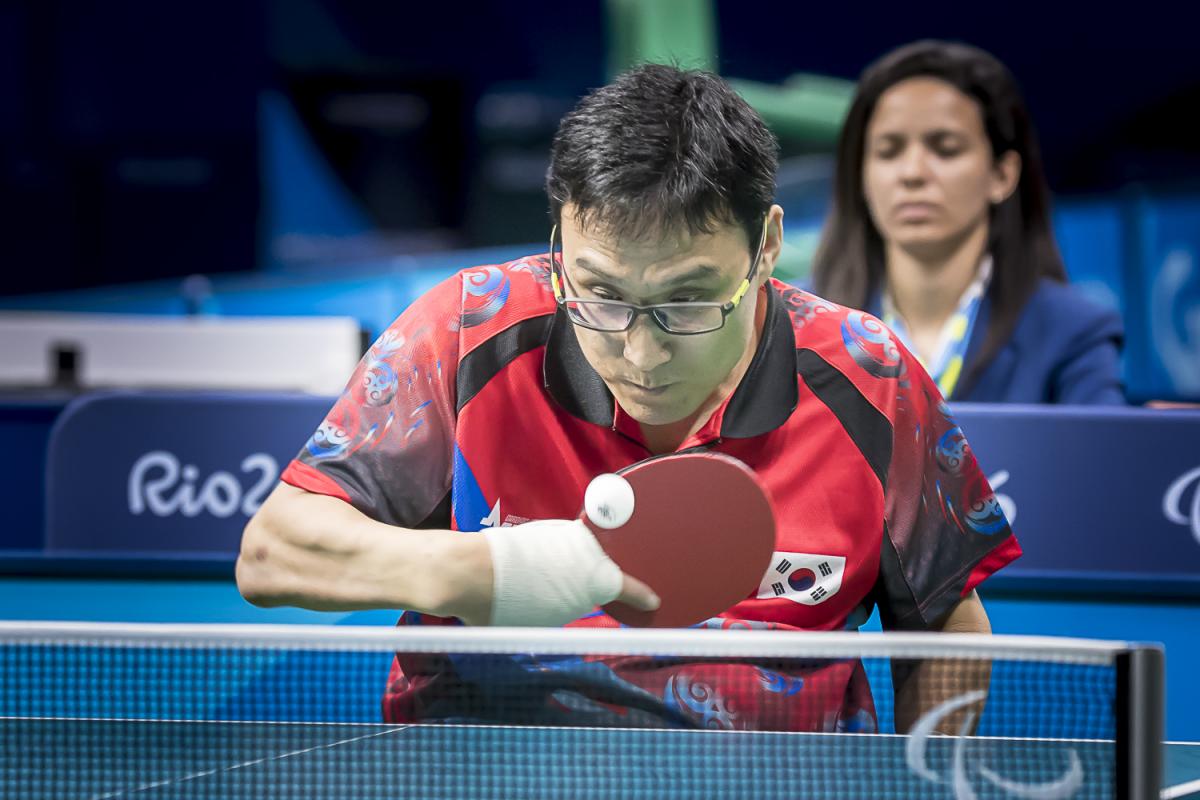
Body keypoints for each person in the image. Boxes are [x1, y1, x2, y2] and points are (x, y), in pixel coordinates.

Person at [238, 64, 1019, 734]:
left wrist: (928, 780)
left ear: (768, 244)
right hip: (484, 767)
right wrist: (490, 571)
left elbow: (947, 621)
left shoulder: (867, 378)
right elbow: (275, 553)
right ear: (560, 239)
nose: (641, 355)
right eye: (601, 295)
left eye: (688, 302)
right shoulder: (472, 328)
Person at [812, 40, 1125, 405]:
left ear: (1002, 175)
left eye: (946, 149)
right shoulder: (791, 326)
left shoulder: (1073, 331)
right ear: (862, 176)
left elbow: (1105, 458)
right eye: (888, 151)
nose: (912, 173)